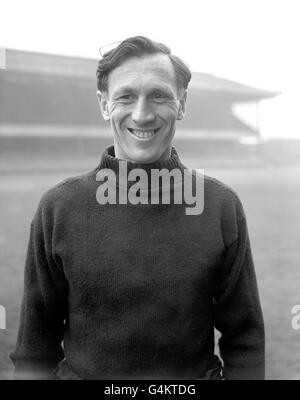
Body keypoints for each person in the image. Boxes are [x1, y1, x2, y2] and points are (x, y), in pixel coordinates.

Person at [10, 36, 265, 380]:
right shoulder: (58, 208)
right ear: (103, 105)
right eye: (126, 96)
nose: (142, 115)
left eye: (159, 95)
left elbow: (245, 339)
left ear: (182, 103)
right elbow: (34, 349)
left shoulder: (220, 207)